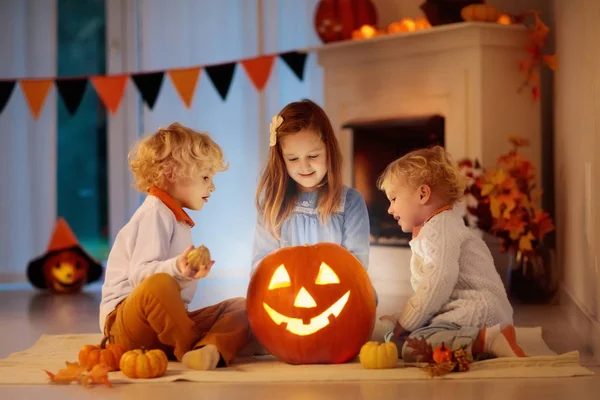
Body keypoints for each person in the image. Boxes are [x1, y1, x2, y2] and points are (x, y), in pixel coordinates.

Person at [99, 122, 250, 371]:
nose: (212, 186)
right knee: (159, 284)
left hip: (164, 328)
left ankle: (207, 350)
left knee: (240, 306)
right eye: (205, 177)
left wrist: (188, 273)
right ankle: (193, 346)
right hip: (125, 327)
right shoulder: (154, 213)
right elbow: (141, 278)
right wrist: (179, 270)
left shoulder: (177, 219)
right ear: (171, 173)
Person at [377, 146, 525, 361]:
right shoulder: (439, 226)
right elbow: (437, 294)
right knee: (399, 339)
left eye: (393, 199)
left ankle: (488, 340)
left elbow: (438, 282)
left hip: (477, 310)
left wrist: (406, 322)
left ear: (422, 194)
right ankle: (486, 339)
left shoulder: (440, 229)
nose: (390, 209)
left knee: (414, 348)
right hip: (471, 310)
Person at [251, 99, 370, 276]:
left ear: (329, 150)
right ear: (282, 160)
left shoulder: (351, 203)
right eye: (293, 159)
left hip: (334, 295)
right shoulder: (272, 204)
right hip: (286, 298)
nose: (304, 166)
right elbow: (262, 268)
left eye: (313, 156)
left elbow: (355, 267)